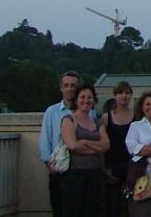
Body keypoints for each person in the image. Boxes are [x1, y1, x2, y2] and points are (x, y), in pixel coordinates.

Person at [60, 83, 110, 217]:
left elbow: (106, 145)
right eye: (82, 97)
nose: (86, 100)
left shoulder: (97, 122)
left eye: (89, 97)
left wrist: (86, 142)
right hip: (74, 175)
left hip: (95, 173)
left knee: (92, 211)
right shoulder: (68, 120)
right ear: (76, 100)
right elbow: (73, 146)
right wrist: (96, 148)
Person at [39, 70, 84, 217]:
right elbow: (46, 139)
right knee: (59, 210)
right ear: (61, 88)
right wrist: (49, 165)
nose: (70, 89)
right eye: (66, 85)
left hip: (81, 169)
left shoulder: (88, 111)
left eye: (73, 85)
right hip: (59, 170)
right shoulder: (52, 112)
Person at [101, 81, 134, 217]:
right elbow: (102, 145)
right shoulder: (106, 117)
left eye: (127, 92)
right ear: (115, 95)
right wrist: (104, 168)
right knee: (112, 207)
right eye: (120, 92)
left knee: (130, 207)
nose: (124, 96)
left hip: (131, 167)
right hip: (112, 168)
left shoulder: (137, 117)